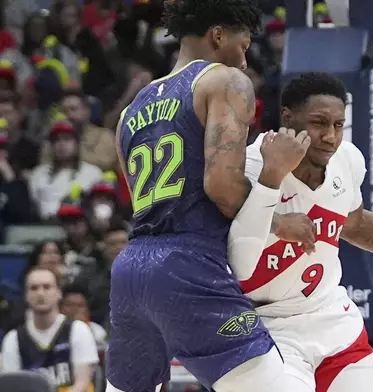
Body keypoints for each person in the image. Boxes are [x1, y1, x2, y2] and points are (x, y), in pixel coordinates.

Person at [106, 1, 313, 391]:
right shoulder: (224, 81)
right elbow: (220, 186)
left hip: (130, 271)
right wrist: (278, 219)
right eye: (243, 44)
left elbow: (142, 202)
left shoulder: (129, 111)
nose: (245, 59)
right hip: (189, 265)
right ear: (218, 35)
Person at [233, 72, 373, 392]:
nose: (330, 136)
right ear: (287, 118)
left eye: (338, 125)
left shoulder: (347, 159)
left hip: (330, 322)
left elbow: (355, 223)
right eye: (319, 123)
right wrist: (275, 222)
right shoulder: (246, 168)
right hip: (266, 328)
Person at [0, 266, 99, 392]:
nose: (40, 293)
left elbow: (83, 383)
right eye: (34, 288)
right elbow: (12, 387)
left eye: (47, 287)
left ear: (58, 292)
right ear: (26, 295)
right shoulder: (13, 339)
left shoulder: (78, 330)